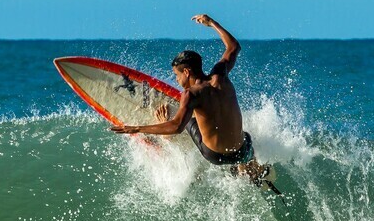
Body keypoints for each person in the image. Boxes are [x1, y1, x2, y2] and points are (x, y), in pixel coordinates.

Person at [110, 14, 269, 183]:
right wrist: (212, 23)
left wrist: (138, 128)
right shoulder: (220, 74)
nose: (177, 81)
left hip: (214, 155)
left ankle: (167, 139)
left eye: (177, 75)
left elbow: (177, 126)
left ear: (186, 72)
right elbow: (233, 47)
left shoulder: (191, 94)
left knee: (189, 121)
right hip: (241, 150)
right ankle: (249, 167)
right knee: (246, 137)